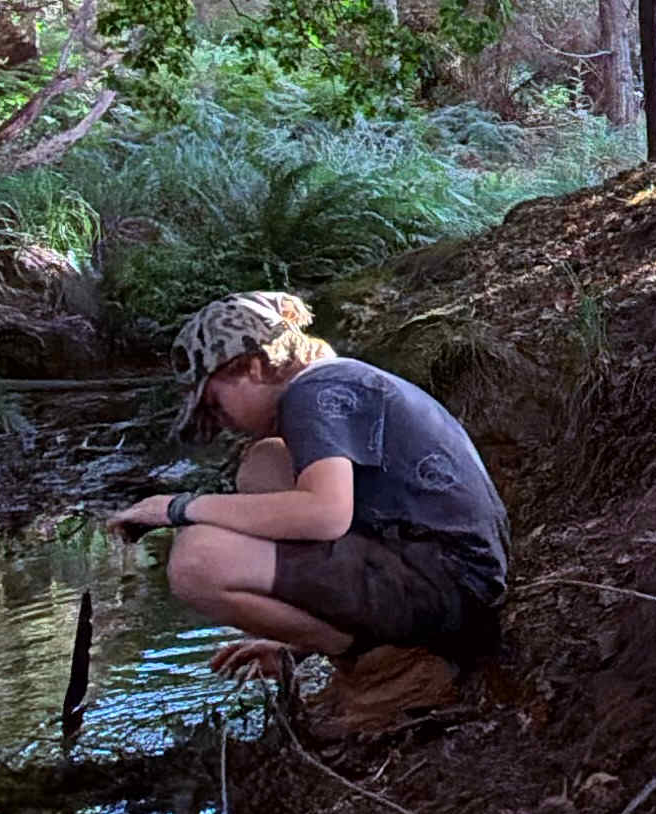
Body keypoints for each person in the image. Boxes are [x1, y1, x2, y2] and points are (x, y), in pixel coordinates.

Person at [110, 289, 509, 732]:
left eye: (215, 404)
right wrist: (297, 646)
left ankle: (391, 673)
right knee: (264, 465)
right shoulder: (332, 383)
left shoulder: (311, 394)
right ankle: (376, 651)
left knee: (196, 559)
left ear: (253, 366)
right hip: (456, 579)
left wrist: (180, 508)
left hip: (449, 588)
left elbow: (326, 514)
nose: (218, 421)